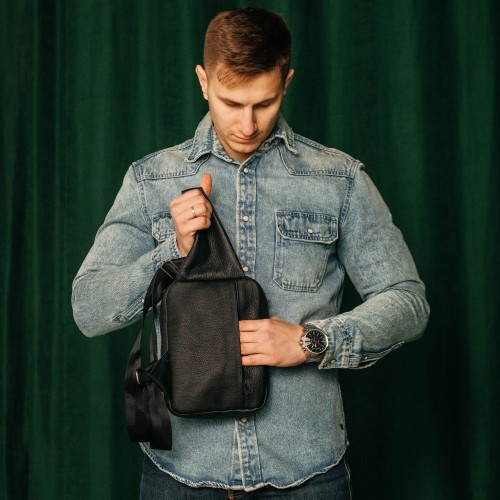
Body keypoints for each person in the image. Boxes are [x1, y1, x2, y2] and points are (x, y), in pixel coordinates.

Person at [72, 7, 429, 499]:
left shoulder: (339, 180)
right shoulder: (150, 180)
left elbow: (407, 301)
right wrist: (171, 251)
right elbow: (89, 308)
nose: (247, 124)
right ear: (203, 82)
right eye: (231, 102)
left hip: (308, 475)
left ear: (287, 81)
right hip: (181, 476)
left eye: (264, 103)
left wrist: (312, 341)